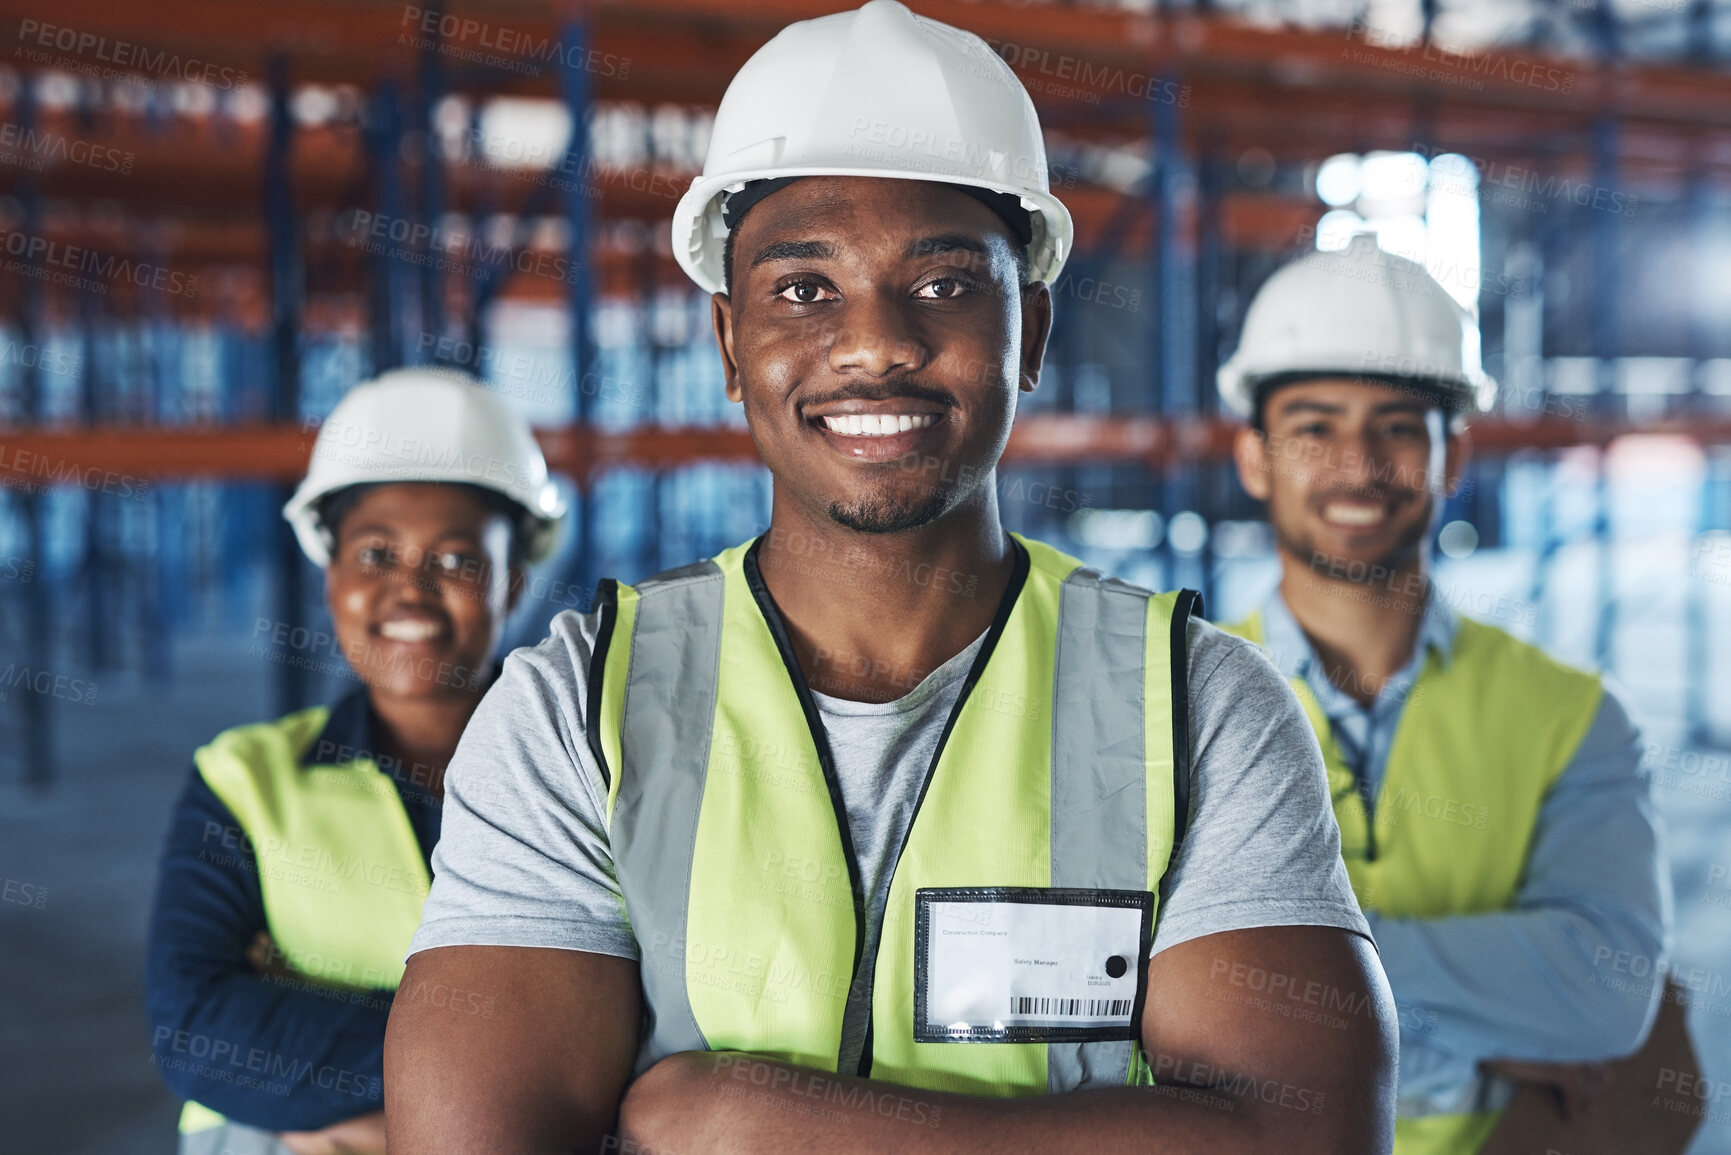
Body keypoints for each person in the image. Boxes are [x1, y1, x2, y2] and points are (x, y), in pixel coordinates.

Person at [385, 4, 1399, 1152]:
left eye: (944, 284)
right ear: (729, 343)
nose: (874, 344)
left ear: (1032, 335)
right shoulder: (579, 709)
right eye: (804, 289)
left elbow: (1302, 1140)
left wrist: (751, 1121)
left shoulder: (1196, 704)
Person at [1214, 236, 1671, 1154]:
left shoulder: (1573, 716)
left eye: (1395, 425)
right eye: (1312, 425)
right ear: (1255, 458)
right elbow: (1127, 1013)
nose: (1357, 462)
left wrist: (1272, 975)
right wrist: (1478, 1052)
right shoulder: (1169, 703)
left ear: (1451, 454)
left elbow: (1606, 994)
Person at [145, 368, 565, 1155]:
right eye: (376, 554)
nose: (410, 590)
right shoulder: (244, 778)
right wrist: (517, 1056)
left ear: (513, 583)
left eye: (456, 561)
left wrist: (305, 1019)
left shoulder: (586, 773)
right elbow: (197, 1031)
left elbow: (652, 1019)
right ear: (331, 575)